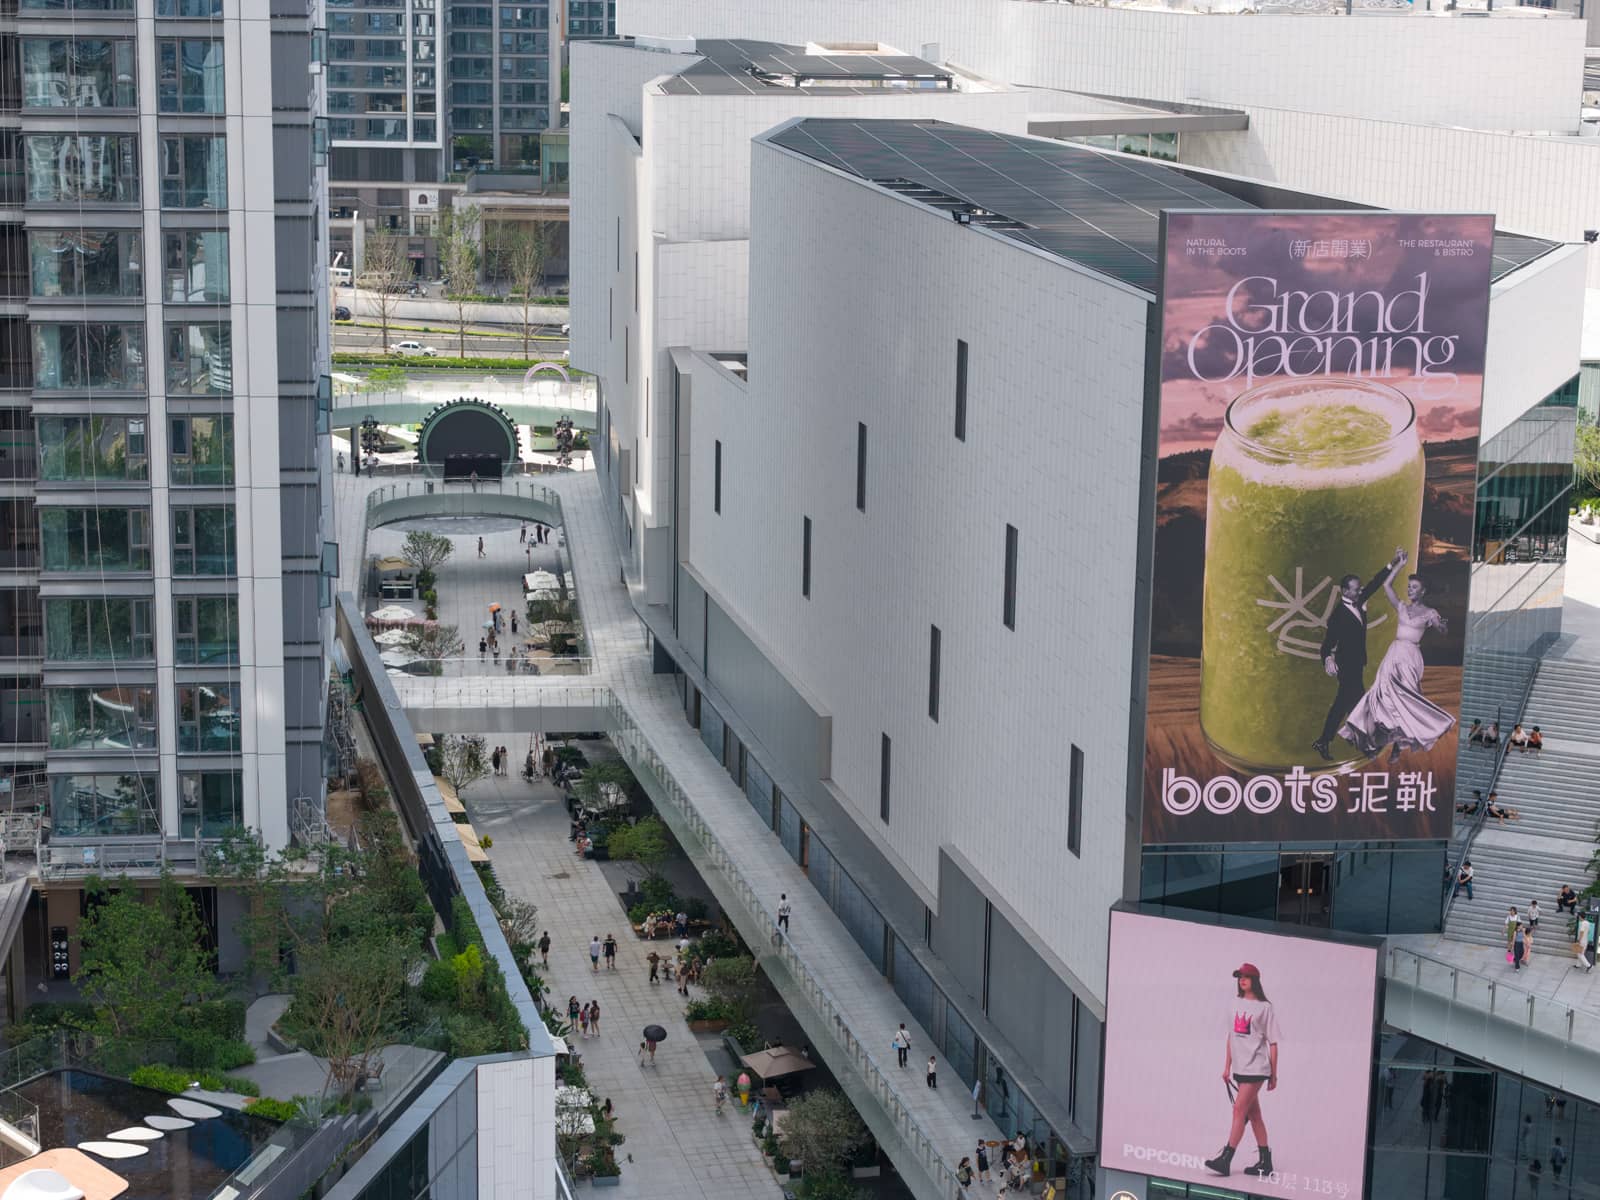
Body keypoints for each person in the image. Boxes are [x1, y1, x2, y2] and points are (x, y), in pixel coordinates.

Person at [1338, 560, 1455, 762]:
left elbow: (1442, 630)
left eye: (1414, 587)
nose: (1410, 590)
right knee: (1381, 696)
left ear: (1423, 591)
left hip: (1411, 657)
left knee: (1405, 699)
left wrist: (1443, 626)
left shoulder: (1430, 613)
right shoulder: (1401, 606)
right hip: (1394, 653)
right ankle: (1374, 742)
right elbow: (1386, 586)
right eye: (1409, 586)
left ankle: (1400, 744)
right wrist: (1399, 566)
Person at [1314, 548, 1408, 760]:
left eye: (1359, 588)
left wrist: (1393, 562)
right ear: (1345, 592)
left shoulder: (1358, 599)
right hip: (1346, 667)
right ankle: (1365, 746)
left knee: (1341, 706)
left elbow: (1375, 582)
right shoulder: (1338, 615)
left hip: (1357, 664)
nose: (1360, 591)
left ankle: (1323, 741)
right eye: (1356, 590)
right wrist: (1327, 658)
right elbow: (1327, 644)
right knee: (1358, 705)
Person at [1203, 962, 1280, 1180]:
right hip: (1240, 1068)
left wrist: (1274, 1074)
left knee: (1238, 1110)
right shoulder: (1234, 1004)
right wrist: (1227, 1066)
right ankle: (1266, 1162)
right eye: (1239, 977)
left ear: (1255, 980)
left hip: (1257, 1068)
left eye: (1246, 976)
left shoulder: (1265, 1008)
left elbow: (1273, 1042)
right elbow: (1231, 1037)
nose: (1242, 980)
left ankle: (1226, 1159)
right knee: (1254, 1115)